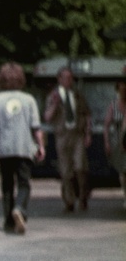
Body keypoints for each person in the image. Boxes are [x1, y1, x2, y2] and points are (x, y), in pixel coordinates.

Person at [0, 62, 46, 234]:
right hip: (24, 148)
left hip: (4, 150)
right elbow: (36, 127)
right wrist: (40, 146)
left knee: (7, 186)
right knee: (24, 184)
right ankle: (20, 208)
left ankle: (8, 222)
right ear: (21, 79)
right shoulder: (29, 100)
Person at [45, 66, 92, 212]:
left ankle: (83, 197)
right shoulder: (53, 96)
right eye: (65, 78)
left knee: (80, 167)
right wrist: (55, 104)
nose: (68, 81)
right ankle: (69, 200)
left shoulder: (77, 95)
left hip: (77, 134)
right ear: (59, 79)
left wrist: (88, 133)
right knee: (65, 171)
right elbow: (47, 117)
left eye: (70, 78)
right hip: (62, 135)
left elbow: (87, 114)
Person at [103, 80, 126, 209]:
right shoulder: (113, 105)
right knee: (123, 171)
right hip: (118, 141)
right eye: (121, 90)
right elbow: (106, 125)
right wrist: (107, 142)